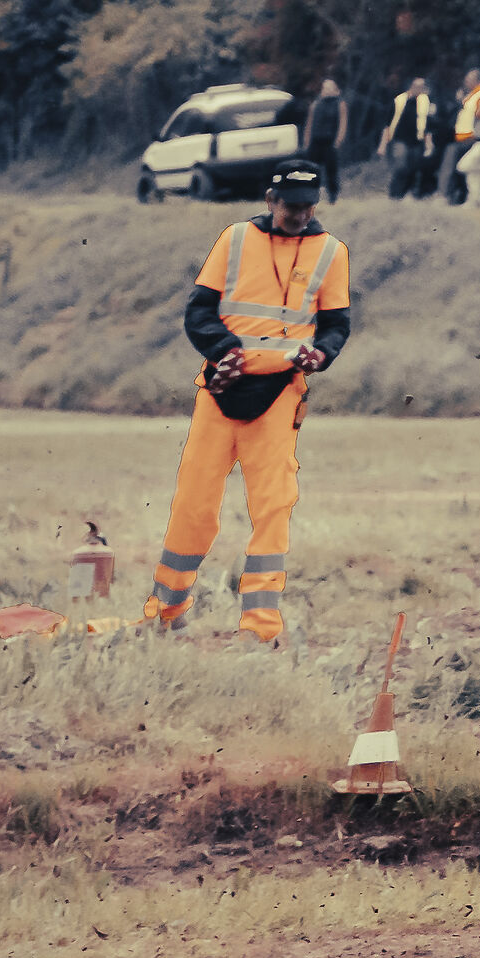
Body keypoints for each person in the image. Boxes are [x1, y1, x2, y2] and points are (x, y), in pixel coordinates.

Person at [141, 161, 352, 644]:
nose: (298, 215)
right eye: (290, 206)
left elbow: (337, 323)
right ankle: (166, 611)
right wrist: (223, 351)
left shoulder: (332, 252)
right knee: (193, 505)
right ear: (269, 199)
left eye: (306, 207)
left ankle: (258, 629)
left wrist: (322, 353)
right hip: (220, 388)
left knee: (273, 507)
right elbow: (199, 311)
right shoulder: (234, 239)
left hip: (280, 393)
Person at [379, 78, 437, 199]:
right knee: (401, 166)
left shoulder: (426, 103)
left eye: (422, 87)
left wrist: (429, 143)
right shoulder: (399, 100)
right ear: (411, 86)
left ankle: (407, 194)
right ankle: (394, 194)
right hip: (400, 139)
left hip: (417, 141)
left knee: (414, 168)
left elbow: (428, 126)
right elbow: (387, 125)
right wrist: (382, 145)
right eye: (417, 86)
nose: (419, 89)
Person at [443, 68, 480, 205]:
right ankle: (461, 196)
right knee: (464, 169)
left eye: (468, 80)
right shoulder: (471, 94)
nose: (466, 82)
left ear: (476, 81)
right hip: (463, 137)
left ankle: (449, 195)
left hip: (471, 138)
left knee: (462, 166)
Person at [302, 80, 348, 203]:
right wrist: (307, 141)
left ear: (336, 90)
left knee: (331, 171)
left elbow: (343, 123)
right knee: (311, 170)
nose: (327, 90)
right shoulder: (315, 104)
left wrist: (338, 141)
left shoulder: (340, 104)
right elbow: (309, 124)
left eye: (330, 88)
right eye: (325, 88)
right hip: (315, 142)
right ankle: (311, 196)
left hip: (330, 142)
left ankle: (333, 196)